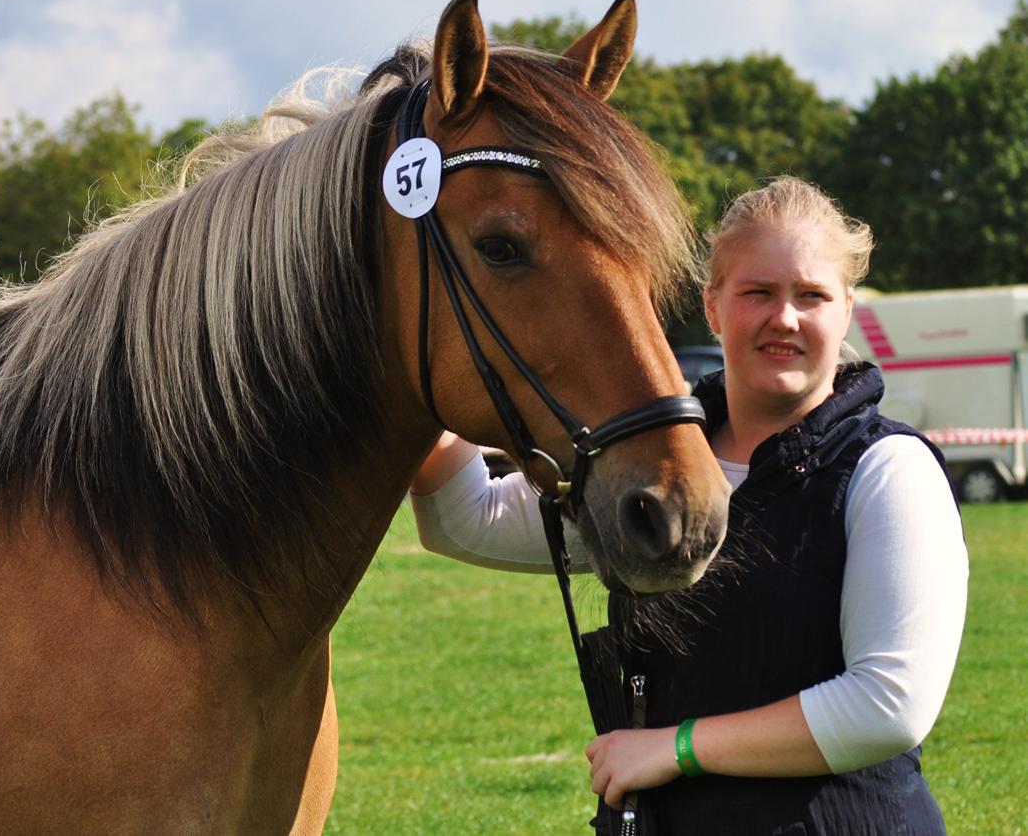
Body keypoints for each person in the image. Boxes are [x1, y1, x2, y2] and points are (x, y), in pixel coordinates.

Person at [409, 177, 968, 835]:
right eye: (757, 292)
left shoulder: (887, 470)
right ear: (712, 306)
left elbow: (888, 707)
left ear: (846, 309)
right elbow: (465, 519)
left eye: (811, 295)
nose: (783, 317)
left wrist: (677, 748)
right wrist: (409, 387)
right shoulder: (653, 477)